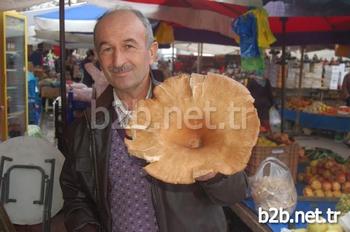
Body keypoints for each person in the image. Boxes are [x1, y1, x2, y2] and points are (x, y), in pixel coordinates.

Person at [60, 8, 248, 232]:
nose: (118, 60)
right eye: (107, 49)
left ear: (151, 52)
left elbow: (236, 192)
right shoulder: (85, 129)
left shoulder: (194, 109)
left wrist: (211, 172)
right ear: (99, 57)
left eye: (129, 46)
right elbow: (76, 197)